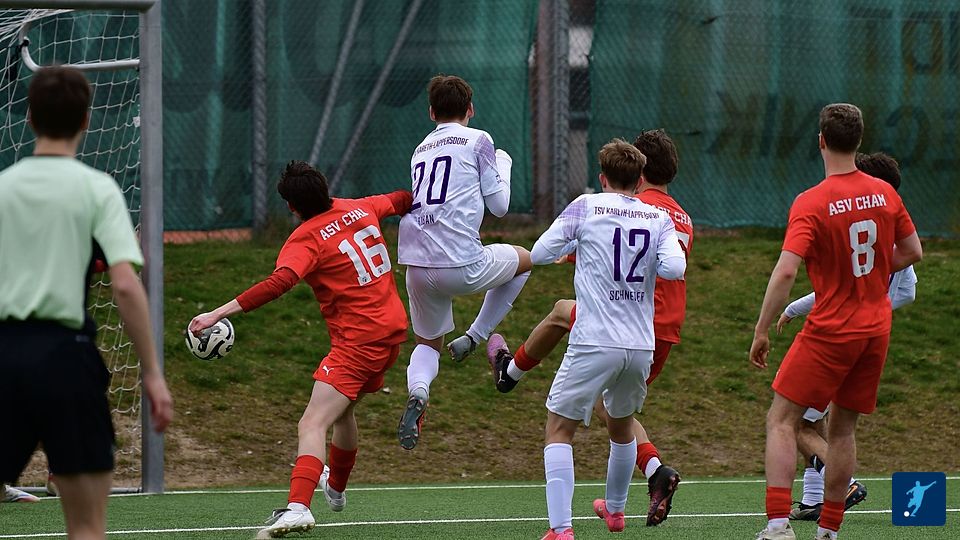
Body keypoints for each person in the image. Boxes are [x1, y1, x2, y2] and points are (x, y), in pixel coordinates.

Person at [188, 161, 411, 538]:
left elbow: (279, 283)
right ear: (325, 188)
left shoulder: (306, 238)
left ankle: (297, 508)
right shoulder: (360, 206)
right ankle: (335, 488)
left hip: (357, 343)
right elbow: (402, 199)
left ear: (292, 207)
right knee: (343, 411)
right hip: (391, 333)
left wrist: (217, 312)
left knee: (312, 423)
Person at [0, 66, 173, 539]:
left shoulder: (3, 187)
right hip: (66, 359)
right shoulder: (97, 188)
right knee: (86, 529)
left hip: (5, 356)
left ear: (29, 118)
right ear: (86, 120)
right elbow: (125, 285)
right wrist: (152, 374)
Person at [487, 129, 691, 525]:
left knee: (561, 427)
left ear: (604, 177)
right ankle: (619, 506)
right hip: (647, 336)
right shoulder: (669, 216)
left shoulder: (595, 205)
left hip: (604, 329)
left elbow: (548, 252)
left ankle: (561, 528)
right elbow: (673, 267)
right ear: (639, 176)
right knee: (619, 421)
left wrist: (576, 246)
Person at [750, 104, 922, 540]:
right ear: (858, 141)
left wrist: (762, 328)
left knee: (782, 420)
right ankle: (829, 529)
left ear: (821, 140)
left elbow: (786, 272)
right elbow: (912, 251)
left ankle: (777, 525)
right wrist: (872, 272)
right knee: (843, 429)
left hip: (833, 328)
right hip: (875, 329)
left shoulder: (811, 201)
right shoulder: (886, 194)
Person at [396, 74, 533, 450]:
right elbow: (500, 207)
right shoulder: (479, 140)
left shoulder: (420, 149)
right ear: (470, 109)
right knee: (525, 261)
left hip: (416, 264)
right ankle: (475, 336)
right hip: (460, 263)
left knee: (427, 344)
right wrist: (503, 162)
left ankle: (419, 391)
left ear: (431, 113)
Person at [780, 151, 916, 521]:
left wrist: (793, 308)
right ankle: (814, 499)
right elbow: (908, 291)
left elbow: (835, 289)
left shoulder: (848, 220)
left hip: (835, 337)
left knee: (794, 422)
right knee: (823, 420)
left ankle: (846, 483)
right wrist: (878, 306)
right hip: (872, 339)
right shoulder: (895, 231)